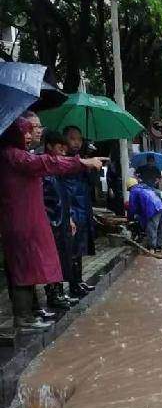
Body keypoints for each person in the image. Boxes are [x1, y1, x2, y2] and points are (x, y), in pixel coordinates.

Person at [0, 117, 103, 330]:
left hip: (31, 220)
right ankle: (24, 317)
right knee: (24, 268)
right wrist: (81, 162)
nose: (31, 134)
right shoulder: (14, 156)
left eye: (35, 129)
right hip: (21, 222)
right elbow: (48, 163)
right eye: (27, 130)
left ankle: (30, 313)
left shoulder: (20, 155)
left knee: (32, 266)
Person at [41, 130, 79, 310]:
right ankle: (53, 294)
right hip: (50, 221)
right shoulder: (43, 168)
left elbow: (62, 197)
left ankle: (59, 292)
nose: (63, 153)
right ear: (49, 146)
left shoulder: (57, 172)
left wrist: (69, 218)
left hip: (62, 219)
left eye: (65, 150)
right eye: (60, 148)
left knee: (63, 257)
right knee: (52, 259)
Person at [62, 125, 96, 297]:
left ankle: (78, 281)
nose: (76, 142)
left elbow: (90, 184)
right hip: (69, 209)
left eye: (79, 139)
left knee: (80, 247)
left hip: (83, 208)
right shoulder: (61, 161)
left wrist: (90, 167)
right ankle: (68, 286)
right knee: (69, 249)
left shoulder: (82, 159)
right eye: (72, 138)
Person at [127, 181, 162, 250]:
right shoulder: (145, 188)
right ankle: (158, 247)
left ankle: (152, 248)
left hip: (153, 209)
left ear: (130, 187)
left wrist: (130, 218)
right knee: (159, 229)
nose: (129, 192)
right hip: (161, 207)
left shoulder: (134, 190)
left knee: (152, 228)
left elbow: (132, 206)